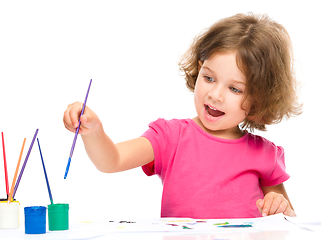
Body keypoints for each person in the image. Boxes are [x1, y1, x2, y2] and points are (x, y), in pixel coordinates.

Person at [63, 13, 302, 219]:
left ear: (259, 99)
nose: (216, 95)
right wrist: (94, 131)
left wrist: (280, 207)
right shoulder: (170, 137)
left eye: (234, 89)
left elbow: (285, 216)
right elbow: (111, 160)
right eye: (209, 78)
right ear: (198, 69)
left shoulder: (264, 154)